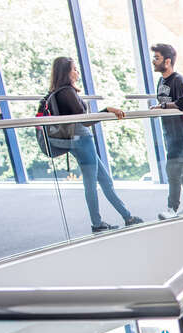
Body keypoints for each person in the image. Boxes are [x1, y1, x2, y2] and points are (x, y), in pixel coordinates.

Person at [46, 57, 143, 233]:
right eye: (74, 69)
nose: (77, 72)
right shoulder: (67, 92)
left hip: (77, 142)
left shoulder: (59, 92)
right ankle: (97, 223)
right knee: (91, 183)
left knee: (105, 181)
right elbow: (85, 121)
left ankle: (127, 216)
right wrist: (108, 110)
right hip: (83, 142)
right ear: (66, 72)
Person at [151, 44, 183, 220]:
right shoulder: (161, 81)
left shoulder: (178, 80)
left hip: (181, 133)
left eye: (157, 58)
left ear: (168, 61)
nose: (154, 61)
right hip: (169, 133)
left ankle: (172, 208)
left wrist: (162, 106)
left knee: (173, 169)